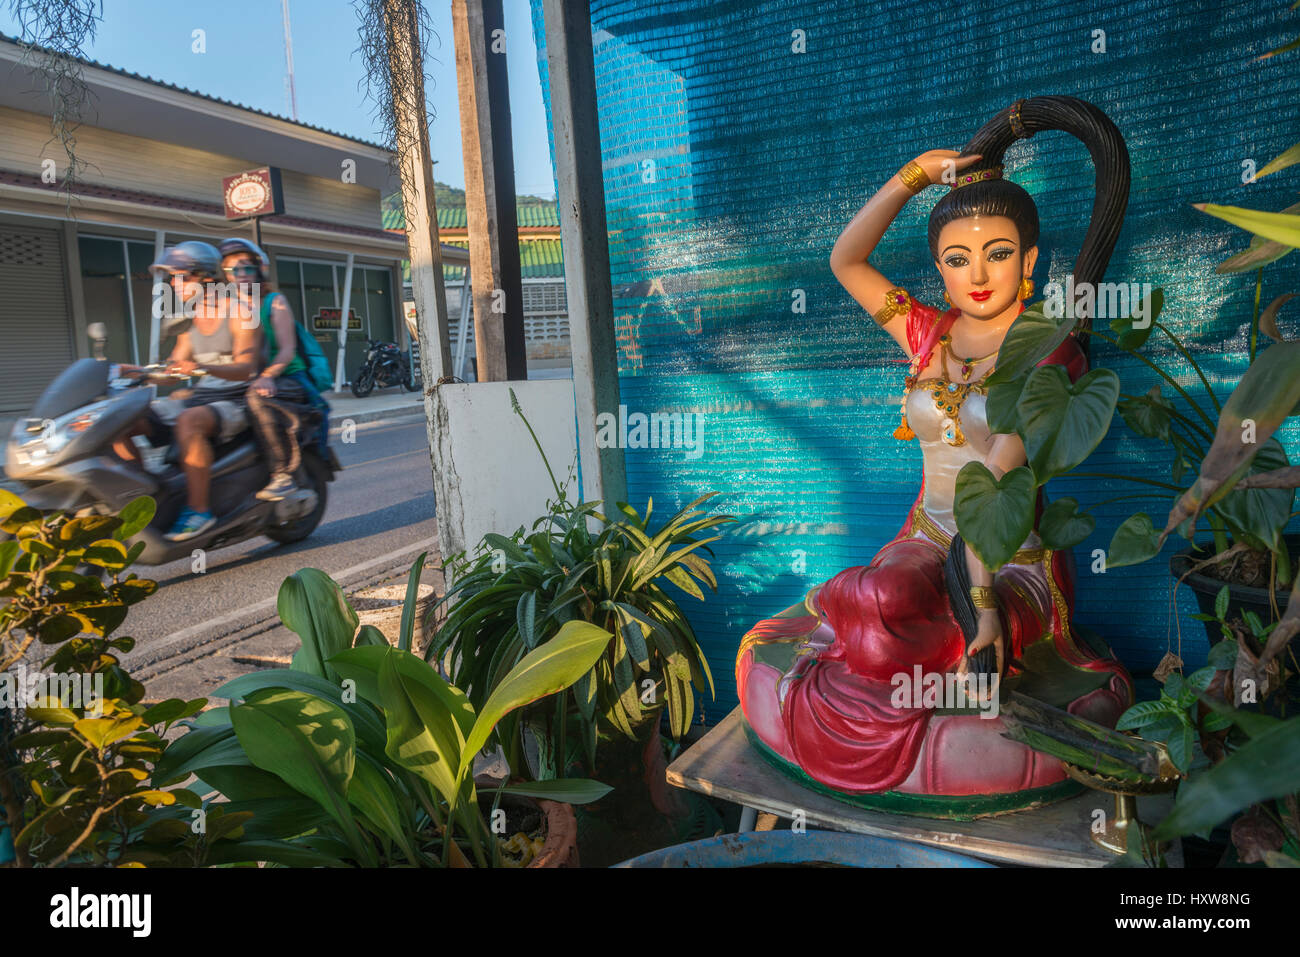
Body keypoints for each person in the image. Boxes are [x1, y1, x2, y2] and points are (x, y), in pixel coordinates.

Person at [735, 97, 1135, 809]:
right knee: (878, 591)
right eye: (957, 258)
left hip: (1010, 560)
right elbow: (845, 259)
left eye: (998, 252)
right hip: (923, 538)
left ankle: (904, 635)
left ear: (1032, 258)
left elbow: (997, 487)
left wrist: (983, 611)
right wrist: (915, 175)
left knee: (882, 610)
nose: (978, 273)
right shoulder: (926, 334)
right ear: (941, 271)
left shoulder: (1050, 350)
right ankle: (882, 627)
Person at [129, 241, 262, 540]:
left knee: (190, 421)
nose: (175, 285)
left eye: (182, 277)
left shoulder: (240, 311)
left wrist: (204, 367)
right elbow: (174, 368)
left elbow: (246, 367)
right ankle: (144, 498)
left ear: (205, 277)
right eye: (172, 278)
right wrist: (134, 372)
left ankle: (198, 510)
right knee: (126, 418)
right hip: (203, 397)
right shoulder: (190, 320)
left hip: (236, 400)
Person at [218, 238, 321, 502]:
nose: (240, 275)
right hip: (246, 376)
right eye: (233, 270)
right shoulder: (224, 307)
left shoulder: (274, 302)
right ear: (224, 275)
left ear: (258, 271)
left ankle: (282, 475)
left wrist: (267, 376)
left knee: (257, 398)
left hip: (286, 375)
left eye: (246, 269)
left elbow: (287, 351)